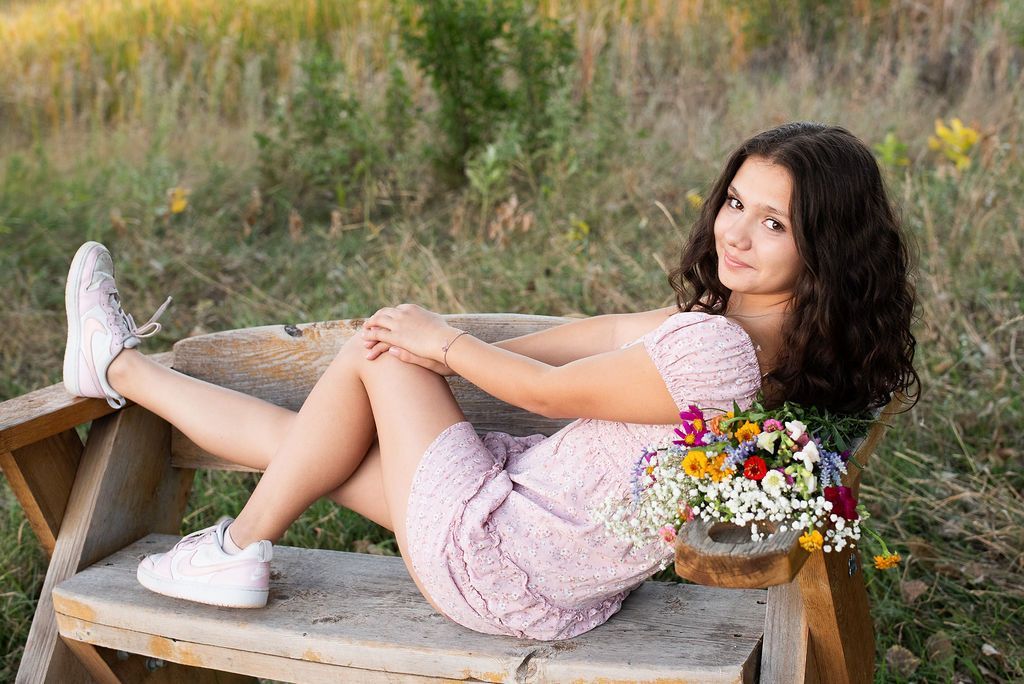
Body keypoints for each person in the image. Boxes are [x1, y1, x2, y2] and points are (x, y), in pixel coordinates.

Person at [61, 121, 919, 640]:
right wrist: (459, 344)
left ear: (825, 248)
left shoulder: (718, 356)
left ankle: (238, 550)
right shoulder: (766, 343)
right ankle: (116, 365)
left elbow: (545, 396)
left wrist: (437, 344)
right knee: (302, 448)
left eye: (773, 222)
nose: (737, 232)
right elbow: (603, 337)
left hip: (500, 551)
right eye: (736, 202)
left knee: (378, 351)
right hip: (541, 550)